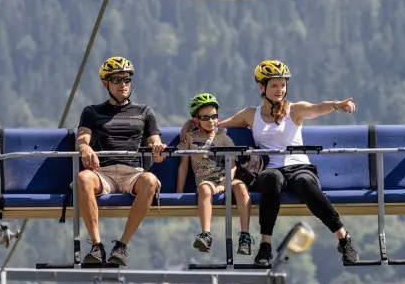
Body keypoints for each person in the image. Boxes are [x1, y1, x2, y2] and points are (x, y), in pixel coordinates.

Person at [217, 59, 359, 267]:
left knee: (305, 184)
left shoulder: (295, 110)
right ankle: (266, 246)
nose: (279, 90)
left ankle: (343, 238)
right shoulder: (250, 114)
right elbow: (218, 125)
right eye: (274, 85)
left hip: (299, 166)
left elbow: (318, 108)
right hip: (272, 169)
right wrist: (191, 125)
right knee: (272, 179)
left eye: (283, 85)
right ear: (262, 87)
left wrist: (337, 105)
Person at [76, 56, 167, 267]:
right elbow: (82, 139)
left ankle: (122, 245)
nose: (123, 85)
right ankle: (96, 245)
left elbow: (156, 142)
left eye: (126, 80)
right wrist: (85, 147)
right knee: (83, 178)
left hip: (132, 172)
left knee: (150, 181)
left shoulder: (144, 112)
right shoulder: (92, 112)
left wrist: (158, 148)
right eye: (116, 80)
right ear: (105, 83)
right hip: (103, 171)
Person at [176, 93, 254, 255]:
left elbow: (232, 166)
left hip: (225, 178)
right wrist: (179, 191)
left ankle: (245, 236)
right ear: (196, 120)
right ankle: (206, 234)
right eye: (205, 118)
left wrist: (224, 183)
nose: (211, 121)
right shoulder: (189, 138)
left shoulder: (224, 138)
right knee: (204, 189)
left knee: (240, 187)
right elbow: (184, 165)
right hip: (206, 180)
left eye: (214, 116)